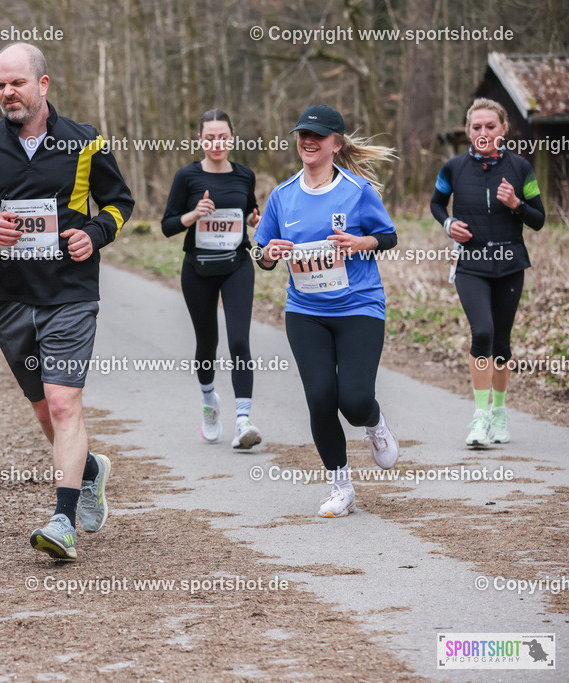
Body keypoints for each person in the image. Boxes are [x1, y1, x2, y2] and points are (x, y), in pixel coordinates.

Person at [0, 43, 134, 560]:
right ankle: (90, 468)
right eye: (1, 84)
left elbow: (120, 202)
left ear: (42, 85)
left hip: (69, 292)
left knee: (64, 402)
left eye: (17, 83)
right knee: (44, 411)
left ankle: (62, 522)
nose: (7, 92)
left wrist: (95, 233)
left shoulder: (85, 143)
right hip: (9, 298)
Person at [254, 104, 399, 518]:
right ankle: (341, 486)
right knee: (320, 398)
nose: (308, 141)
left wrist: (360, 243)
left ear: (336, 144)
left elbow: (387, 237)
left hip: (358, 307)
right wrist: (268, 253)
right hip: (306, 311)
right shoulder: (282, 196)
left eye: (317, 135)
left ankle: (373, 421)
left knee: (353, 401)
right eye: (302, 134)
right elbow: (261, 253)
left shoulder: (357, 191)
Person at [430, 98, 545, 447]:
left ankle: (499, 411)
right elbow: (436, 203)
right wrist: (449, 224)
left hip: (510, 266)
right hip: (470, 265)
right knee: (482, 332)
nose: (483, 133)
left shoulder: (521, 168)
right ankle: (479, 418)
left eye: (490, 126)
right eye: (476, 127)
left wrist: (516, 205)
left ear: (503, 129)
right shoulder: (453, 168)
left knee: (501, 343)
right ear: (468, 131)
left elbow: (538, 219)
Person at [162, 109, 262, 448]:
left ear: (232, 138)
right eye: (209, 137)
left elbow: (250, 213)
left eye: (222, 137)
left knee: (239, 342)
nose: (216, 143)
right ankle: (209, 402)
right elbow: (167, 226)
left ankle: (243, 421)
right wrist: (193, 215)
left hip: (237, 265)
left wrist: (257, 222)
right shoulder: (187, 177)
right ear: (200, 139)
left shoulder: (244, 175)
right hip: (198, 269)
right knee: (207, 344)